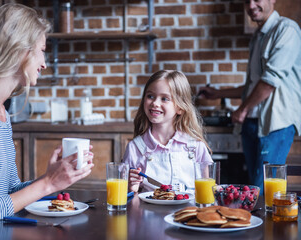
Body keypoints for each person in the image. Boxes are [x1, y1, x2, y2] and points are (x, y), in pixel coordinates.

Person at [0, 4, 94, 239]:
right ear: (19, 50)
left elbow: (9, 192)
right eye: (41, 50)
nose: (44, 63)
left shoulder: (0, 112)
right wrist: (47, 185)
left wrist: (52, 178)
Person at [199, 0, 301, 191]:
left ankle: (263, 222)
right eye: (247, 1)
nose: (251, 5)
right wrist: (218, 94)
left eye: (257, 0)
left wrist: (242, 109)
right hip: (252, 124)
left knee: (261, 189)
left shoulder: (287, 30)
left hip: (275, 125)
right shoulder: (258, 36)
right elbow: (251, 86)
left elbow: (270, 81)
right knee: (252, 189)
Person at [122, 70, 213, 193]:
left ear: (180, 108)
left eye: (164, 98)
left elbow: (207, 192)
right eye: (150, 96)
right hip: (148, 212)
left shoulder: (196, 147)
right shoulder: (135, 148)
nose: (155, 103)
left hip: (188, 211)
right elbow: (126, 197)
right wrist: (131, 188)